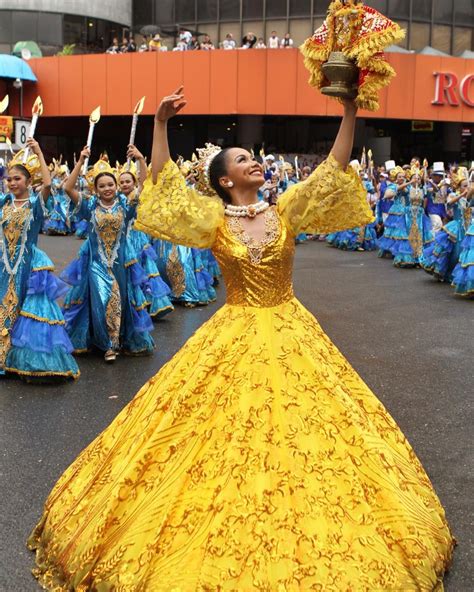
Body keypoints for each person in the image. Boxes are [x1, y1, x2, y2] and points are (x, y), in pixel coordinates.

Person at [29, 87, 453, 589]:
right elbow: (165, 186)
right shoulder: (212, 220)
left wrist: (350, 110)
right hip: (233, 332)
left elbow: (332, 171)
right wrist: (160, 124)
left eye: (254, 158)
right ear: (225, 179)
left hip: (292, 332)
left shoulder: (287, 209)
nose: (254, 163)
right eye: (243, 159)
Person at [60, 147, 155, 362]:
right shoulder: (90, 206)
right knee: (103, 300)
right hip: (96, 264)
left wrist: (140, 158)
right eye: (101, 186)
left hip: (120, 263)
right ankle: (107, 346)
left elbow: (144, 185)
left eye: (110, 184)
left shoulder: (125, 205)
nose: (107, 188)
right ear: (95, 189)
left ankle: (116, 340)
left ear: (117, 186)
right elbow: (67, 187)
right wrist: (81, 159)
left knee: (119, 300)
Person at [0, 140, 79, 380]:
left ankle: (24, 358)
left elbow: (47, 184)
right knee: (4, 307)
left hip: (27, 265)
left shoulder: (35, 204)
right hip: (4, 263)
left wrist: (39, 153)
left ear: (27, 181)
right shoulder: (4, 203)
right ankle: (4, 356)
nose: (12, 183)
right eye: (9, 179)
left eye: (17, 179)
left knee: (26, 309)